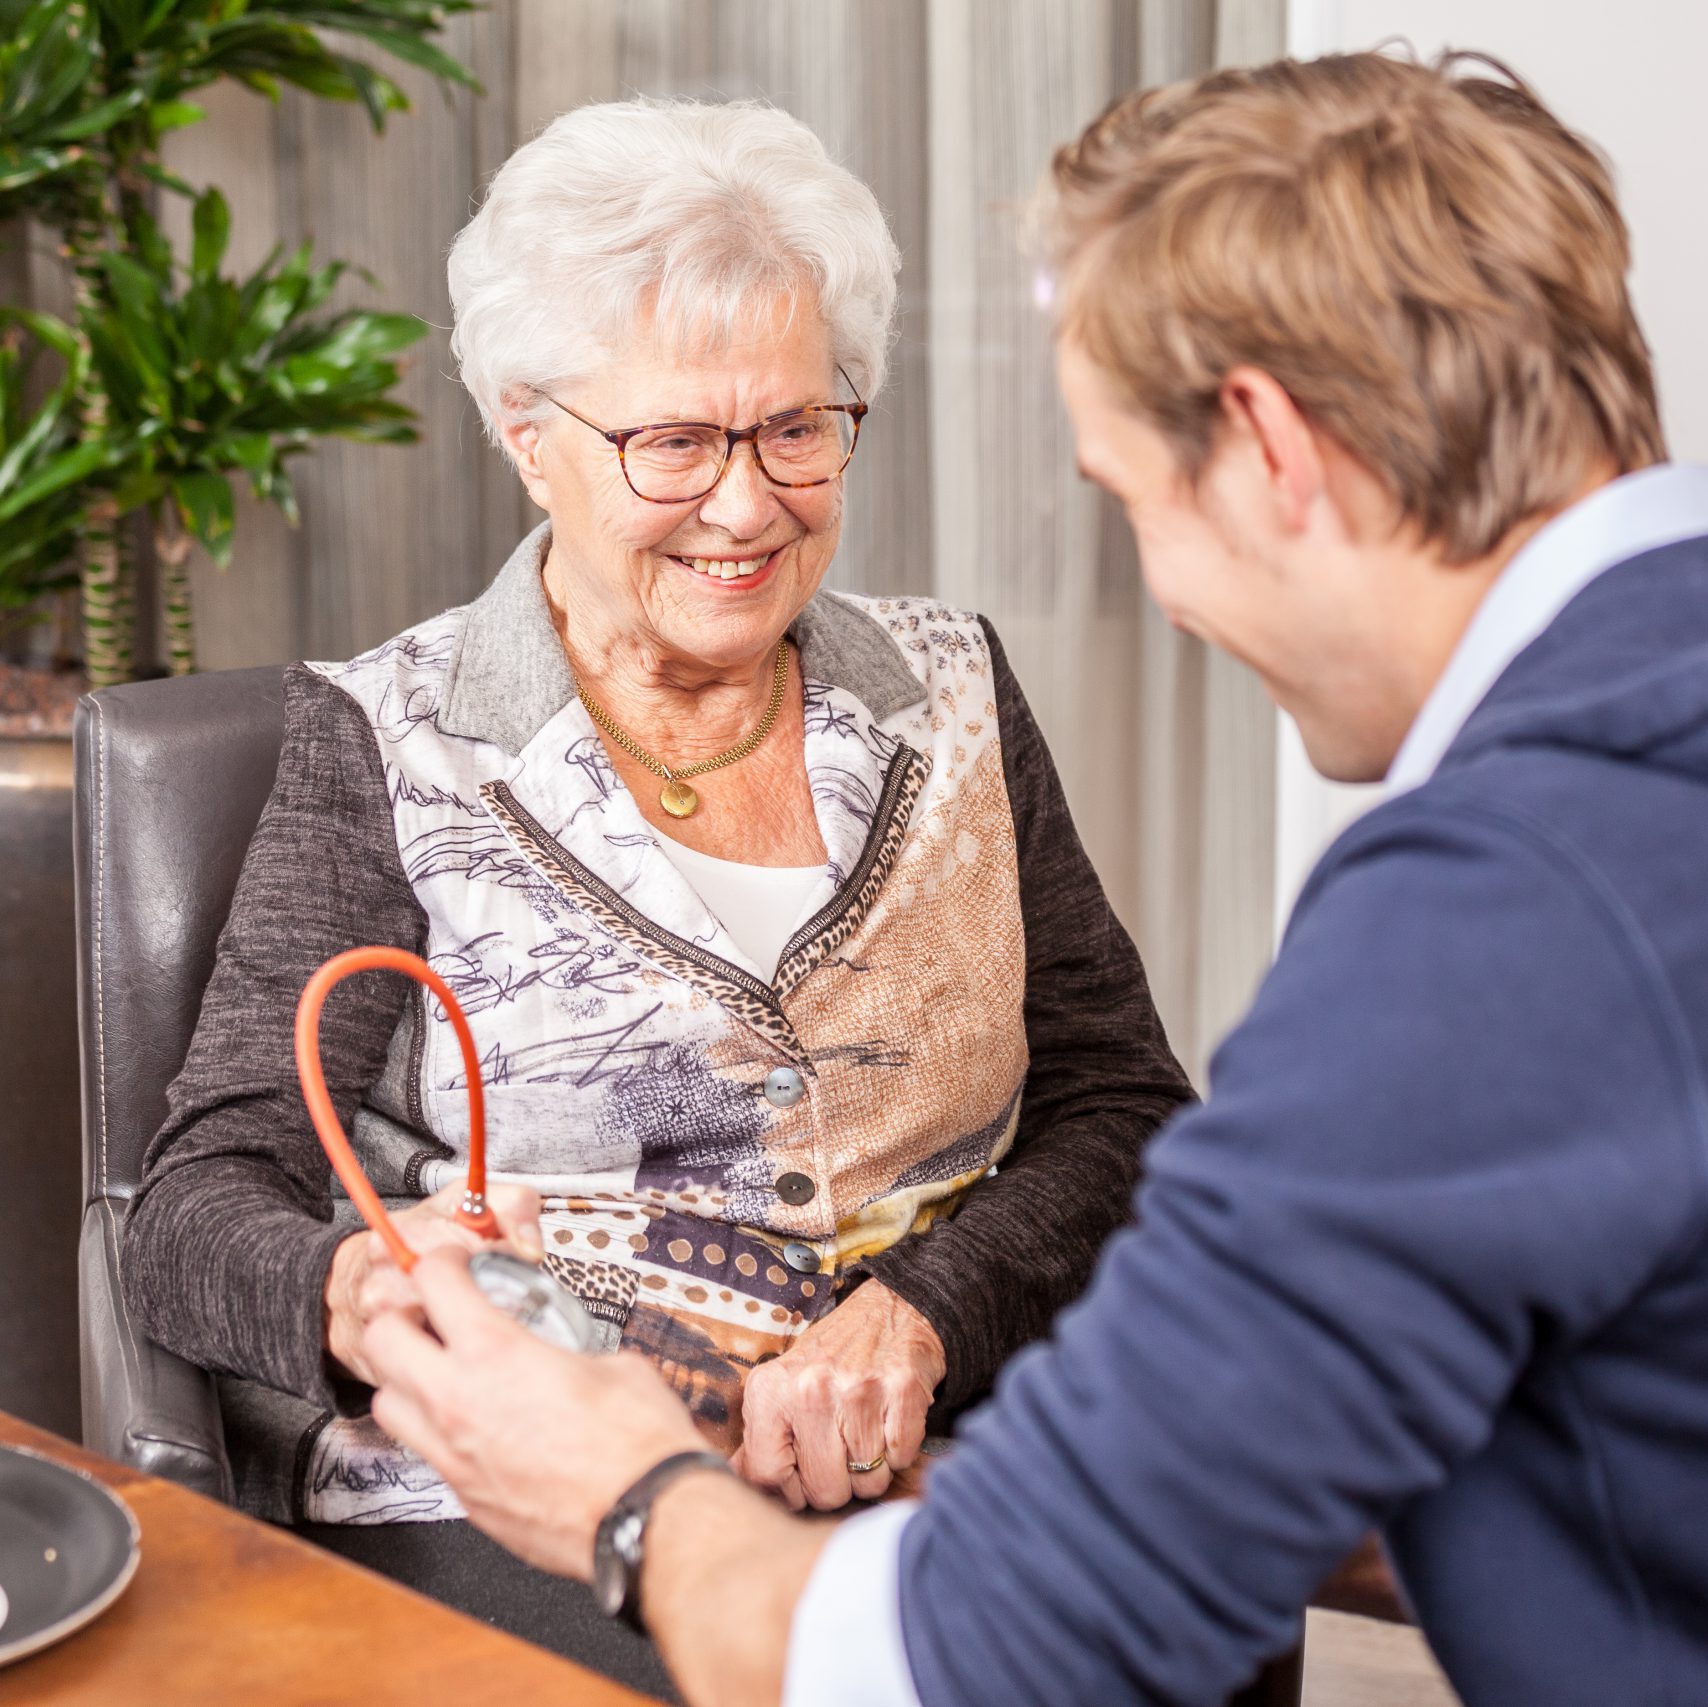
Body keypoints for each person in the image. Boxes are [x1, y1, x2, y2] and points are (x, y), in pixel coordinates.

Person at [359, 48, 1708, 1707]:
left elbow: (966, 1657)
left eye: (1129, 503)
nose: (1171, 598)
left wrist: (627, 1495)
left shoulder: (1482, 926)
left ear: (1271, 447)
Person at [120, 96, 1189, 1688]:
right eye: (673, 441)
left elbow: (1125, 1099)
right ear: (526, 432)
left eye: (797, 428)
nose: (747, 506)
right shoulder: (391, 741)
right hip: (525, 1501)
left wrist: (919, 1316)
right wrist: (364, 1292)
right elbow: (195, 1201)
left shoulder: (953, 689)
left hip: (957, 1444)